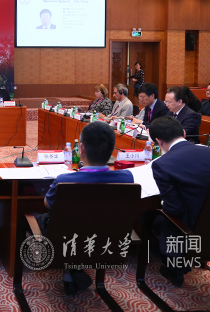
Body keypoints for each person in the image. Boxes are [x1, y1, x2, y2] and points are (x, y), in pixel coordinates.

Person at [34, 121, 134, 295]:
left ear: (81, 148)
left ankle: (70, 269)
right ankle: (73, 271)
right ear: (112, 150)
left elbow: (48, 204)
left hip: (65, 240)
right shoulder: (127, 178)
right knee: (86, 223)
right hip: (106, 238)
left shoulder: (64, 180)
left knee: (36, 218)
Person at [148, 117, 210, 287]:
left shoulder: (162, 164)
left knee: (153, 216)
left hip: (192, 231)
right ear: (183, 133)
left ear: (158, 141)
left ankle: (175, 265)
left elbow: (173, 209)